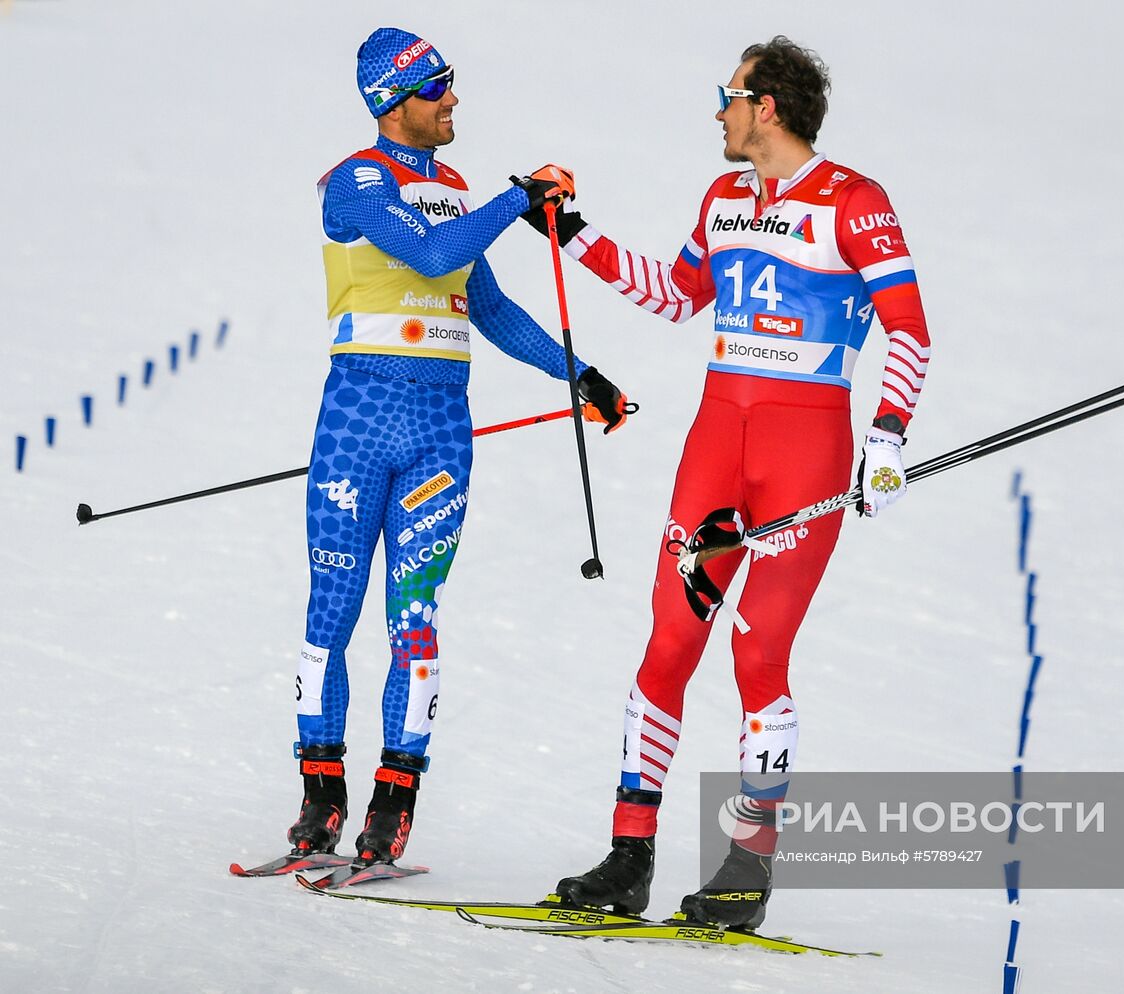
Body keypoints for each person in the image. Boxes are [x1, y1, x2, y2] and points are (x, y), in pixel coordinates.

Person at [529, 37, 932, 927]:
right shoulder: (723, 197)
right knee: (669, 641)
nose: (719, 110)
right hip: (718, 445)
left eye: (730, 95)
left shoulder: (854, 203)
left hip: (804, 455)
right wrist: (573, 230)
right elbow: (676, 295)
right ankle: (628, 856)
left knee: (758, 656)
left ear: (769, 108)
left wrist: (889, 438)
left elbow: (909, 330)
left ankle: (746, 869)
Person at [284, 27, 627, 869]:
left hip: (441, 423)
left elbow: (492, 307)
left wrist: (581, 375)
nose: (452, 99)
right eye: (437, 86)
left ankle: (393, 801)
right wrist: (519, 199)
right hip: (358, 415)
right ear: (392, 101)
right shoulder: (356, 182)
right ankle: (320, 794)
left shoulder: (456, 190)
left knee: (417, 620)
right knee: (333, 611)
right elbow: (434, 252)